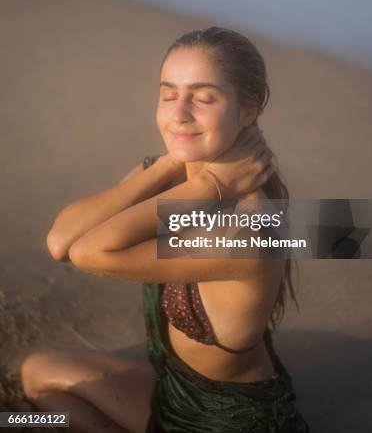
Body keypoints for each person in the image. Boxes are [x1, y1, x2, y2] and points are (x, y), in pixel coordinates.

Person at [20, 27, 310, 433]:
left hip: (227, 422)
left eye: (204, 98)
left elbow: (91, 252)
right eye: (169, 94)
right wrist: (168, 165)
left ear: (248, 110)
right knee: (38, 374)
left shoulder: (246, 227)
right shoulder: (171, 175)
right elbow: (61, 242)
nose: (179, 114)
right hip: (174, 394)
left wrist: (215, 186)